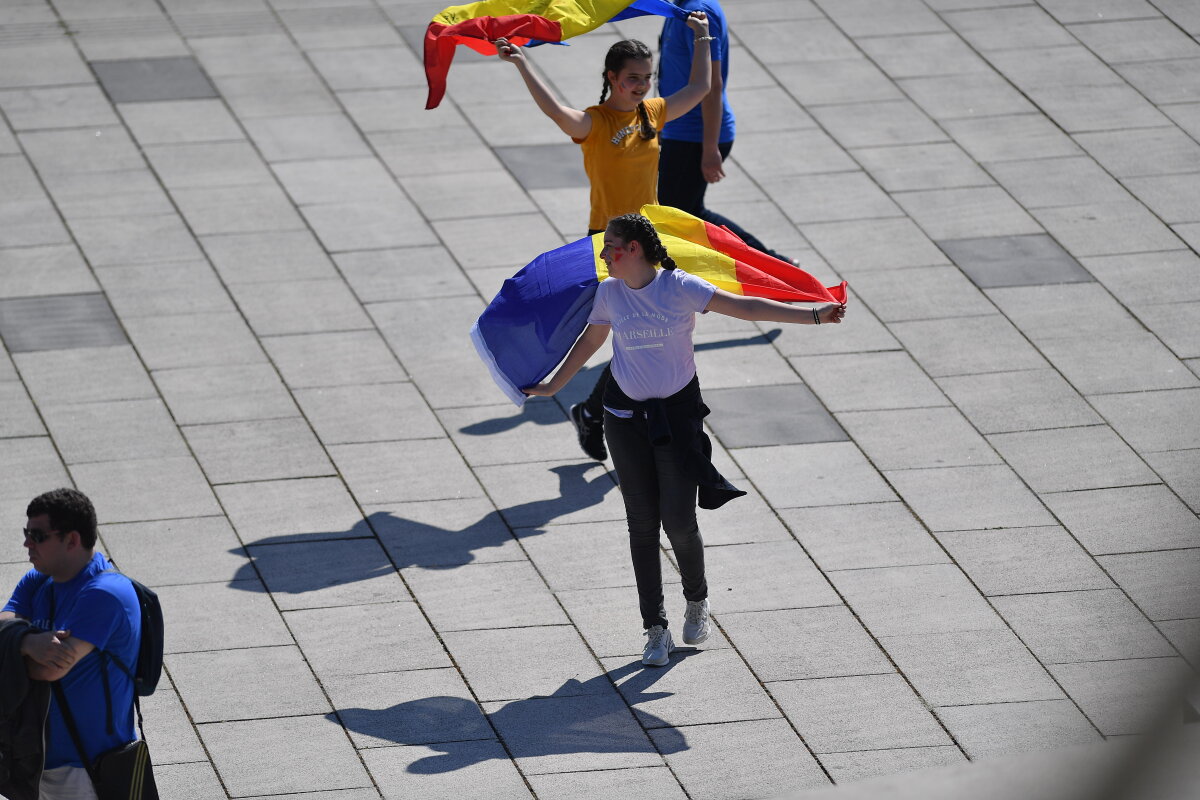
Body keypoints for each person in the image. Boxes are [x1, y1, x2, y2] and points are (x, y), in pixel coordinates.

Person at [523, 214, 845, 666]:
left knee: (678, 521)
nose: (602, 254)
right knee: (641, 523)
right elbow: (591, 341)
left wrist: (814, 314)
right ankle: (655, 629)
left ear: (633, 248)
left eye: (609, 245)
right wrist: (555, 386)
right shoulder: (609, 293)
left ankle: (697, 600)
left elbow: (747, 307)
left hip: (676, 417)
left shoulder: (679, 287)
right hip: (623, 418)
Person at [495, 15, 713, 463]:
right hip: (610, 244)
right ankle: (598, 412)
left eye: (647, 78)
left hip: (651, 239)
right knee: (629, 328)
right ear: (611, 78)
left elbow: (700, 89)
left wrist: (704, 38)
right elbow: (556, 110)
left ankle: (597, 412)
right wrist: (521, 64)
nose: (641, 86)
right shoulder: (594, 124)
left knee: (645, 328)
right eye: (633, 78)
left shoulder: (653, 114)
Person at [1, 488, 141, 800]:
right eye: (27, 533)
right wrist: (27, 641)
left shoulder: (104, 594)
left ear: (72, 539)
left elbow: (50, 668)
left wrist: (13, 647)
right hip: (35, 759)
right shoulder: (38, 580)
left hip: (84, 768)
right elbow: (4, 625)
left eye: (37, 535)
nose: (27, 543)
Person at [657, 0, 797, 265]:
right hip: (681, 129)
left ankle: (773, 264)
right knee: (682, 211)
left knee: (682, 212)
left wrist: (710, 149)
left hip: (695, 134)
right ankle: (773, 264)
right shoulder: (680, 7)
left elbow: (712, 84)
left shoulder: (700, 12)